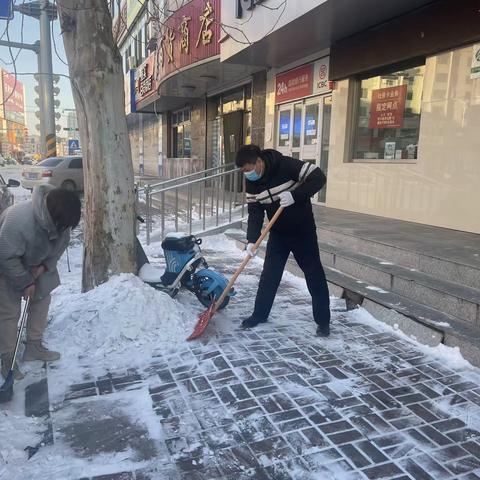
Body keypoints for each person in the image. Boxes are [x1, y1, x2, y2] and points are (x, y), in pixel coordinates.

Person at [236, 144, 331, 337]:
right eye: (243, 172)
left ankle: (323, 322)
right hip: (278, 234)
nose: (247, 175)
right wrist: (251, 241)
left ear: (259, 161)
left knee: (314, 275)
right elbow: (255, 212)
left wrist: (295, 196)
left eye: (248, 170)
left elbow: (319, 177)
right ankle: (259, 314)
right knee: (269, 275)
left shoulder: (285, 165)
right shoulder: (252, 183)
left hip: (302, 231)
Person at [0, 185, 81, 380]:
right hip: (7, 265)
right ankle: (7, 358)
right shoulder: (18, 220)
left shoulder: (62, 224)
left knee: (42, 301)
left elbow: (58, 249)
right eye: (64, 224)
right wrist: (26, 282)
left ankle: (33, 346)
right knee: (9, 312)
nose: (66, 229)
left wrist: (44, 267)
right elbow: (6, 256)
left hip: (38, 263)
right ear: (53, 215)